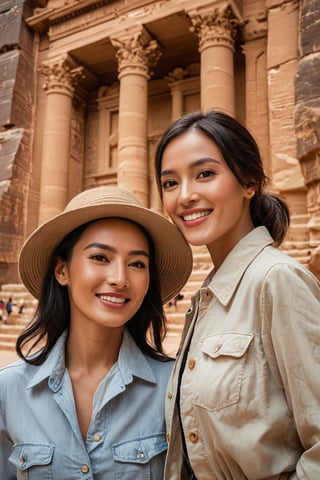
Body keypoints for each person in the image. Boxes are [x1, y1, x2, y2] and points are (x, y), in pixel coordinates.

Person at [154, 110, 320, 479]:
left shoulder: (278, 281)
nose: (185, 196)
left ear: (249, 182)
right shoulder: (209, 294)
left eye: (205, 174)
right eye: (169, 183)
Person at [0, 186, 192, 479]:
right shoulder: (8, 389)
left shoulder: (175, 387)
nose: (119, 278)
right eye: (100, 257)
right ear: (62, 270)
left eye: (137, 263)